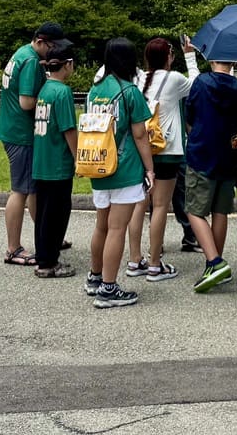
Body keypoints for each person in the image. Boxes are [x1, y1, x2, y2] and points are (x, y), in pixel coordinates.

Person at [83, 38, 155, 308]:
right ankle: (109, 289)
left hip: (98, 166)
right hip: (124, 168)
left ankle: (95, 276)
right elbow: (139, 134)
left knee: (102, 225)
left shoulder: (95, 91)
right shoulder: (130, 92)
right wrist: (150, 169)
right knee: (117, 228)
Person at [124, 36, 198, 283]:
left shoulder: (138, 78)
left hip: (140, 149)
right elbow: (196, 85)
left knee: (138, 204)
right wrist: (190, 55)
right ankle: (155, 264)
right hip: (166, 152)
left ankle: (135, 260)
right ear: (169, 57)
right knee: (160, 207)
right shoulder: (174, 79)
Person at [0, 21, 65, 267]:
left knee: (33, 189)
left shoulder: (21, 53)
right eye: (53, 46)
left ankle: (46, 238)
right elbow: (27, 102)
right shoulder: (29, 62)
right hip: (21, 134)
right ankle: (13, 248)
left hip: (12, 128)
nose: (54, 52)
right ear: (40, 41)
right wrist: (50, 100)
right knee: (21, 190)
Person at [182, 48, 237, 293]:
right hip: (229, 156)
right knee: (220, 211)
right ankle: (216, 263)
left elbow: (190, 115)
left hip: (202, 153)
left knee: (194, 211)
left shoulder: (201, 82)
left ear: (211, 59)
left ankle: (214, 261)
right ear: (234, 61)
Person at [32, 39, 79, 279]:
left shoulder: (45, 89)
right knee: (57, 213)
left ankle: (43, 256)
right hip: (58, 163)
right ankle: (49, 263)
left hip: (41, 161)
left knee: (43, 214)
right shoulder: (62, 92)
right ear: (68, 64)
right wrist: (78, 157)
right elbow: (68, 129)